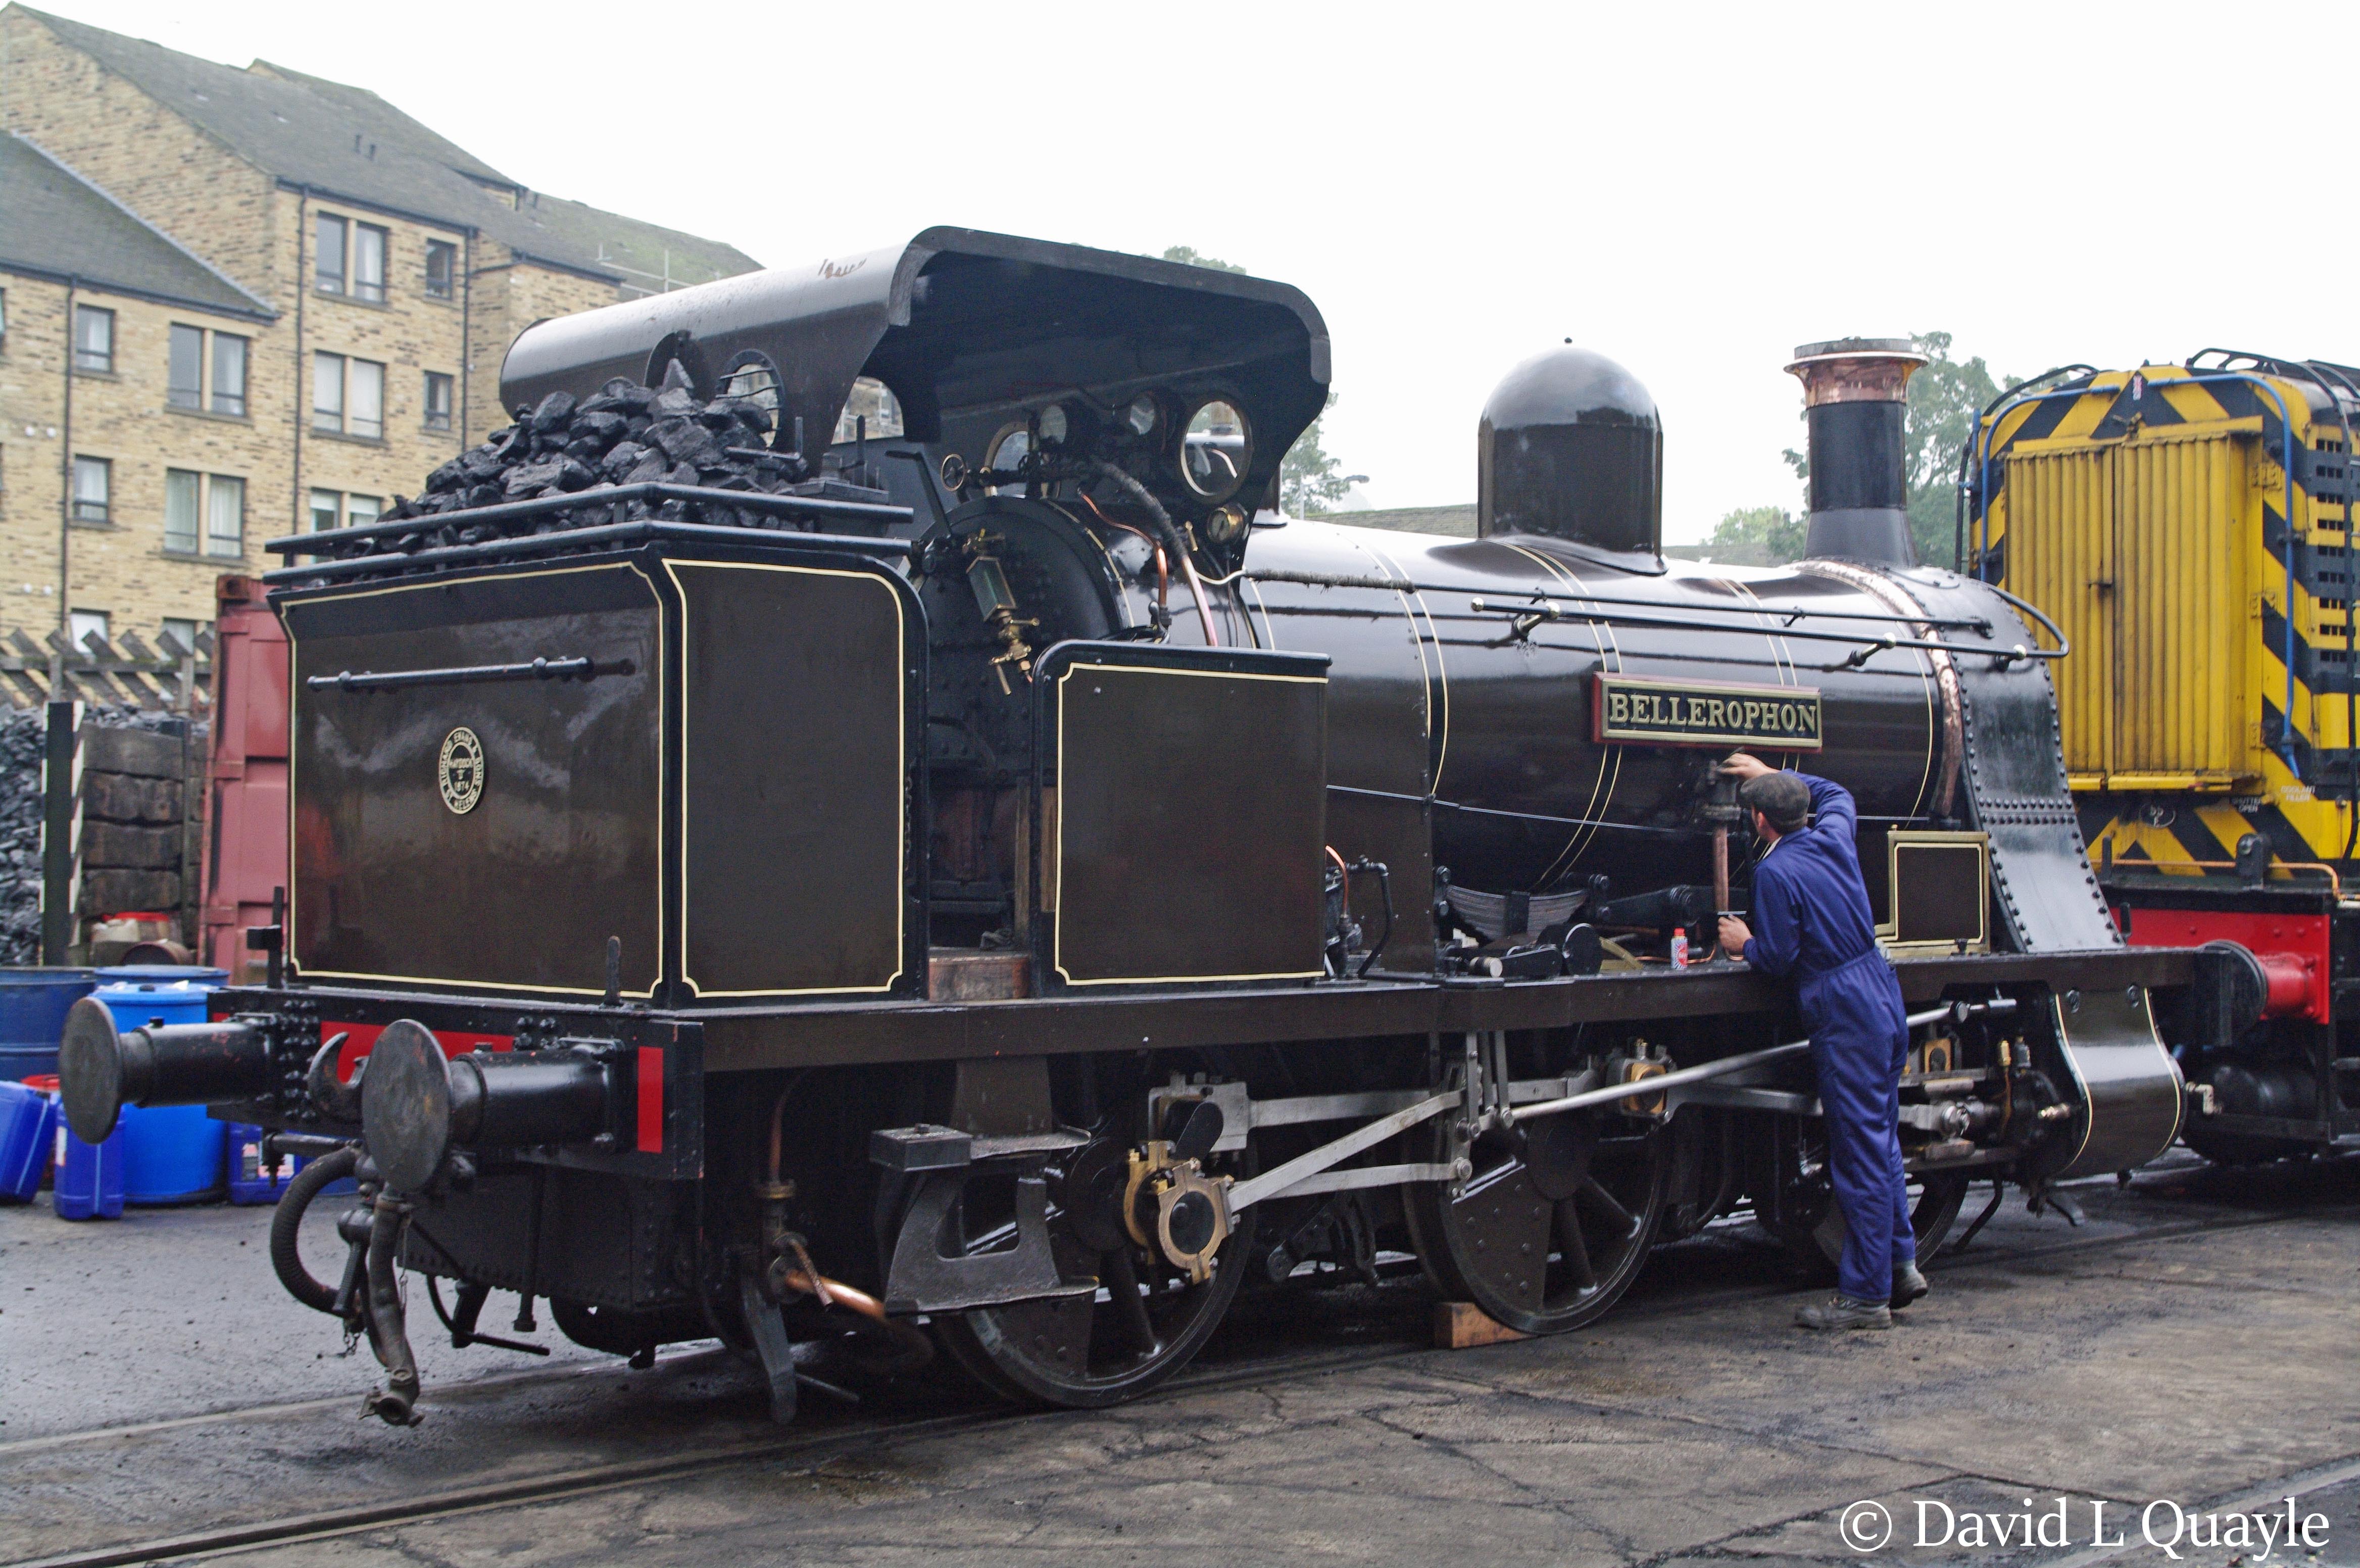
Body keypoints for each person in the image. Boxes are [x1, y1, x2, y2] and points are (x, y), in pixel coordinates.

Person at [1714, 753, 1929, 1331]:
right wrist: (1775, 776)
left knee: (1856, 1153)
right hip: (1881, 989)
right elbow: (1834, 790)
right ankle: (1901, 1263)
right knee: (1881, 1140)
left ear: (1759, 821)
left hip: (1842, 1005)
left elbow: (1779, 957)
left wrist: (1743, 942)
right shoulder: (1834, 833)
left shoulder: (1775, 872)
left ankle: (1864, 1298)